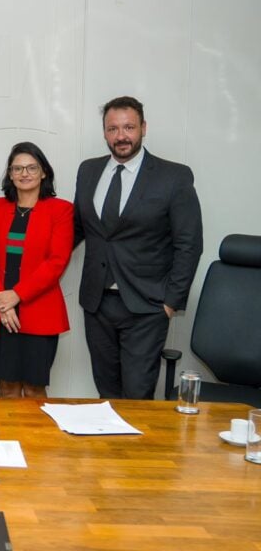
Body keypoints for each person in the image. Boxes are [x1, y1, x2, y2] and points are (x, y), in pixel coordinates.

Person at [73, 96, 203, 399]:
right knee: (106, 392)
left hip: (147, 306)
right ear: (104, 132)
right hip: (97, 304)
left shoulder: (174, 176)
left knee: (137, 397)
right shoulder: (88, 171)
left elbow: (189, 244)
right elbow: (78, 229)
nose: (121, 136)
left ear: (143, 128)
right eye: (113, 129)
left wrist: (170, 302)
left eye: (129, 127)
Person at [0, 142, 73, 397]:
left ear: (43, 172)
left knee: (33, 389)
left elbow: (57, 262)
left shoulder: (61, 210)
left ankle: (35, 439)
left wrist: (16, 295)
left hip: (38, 310)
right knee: (6, 388)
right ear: (10, 174)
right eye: (17, 168)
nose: (24, 173)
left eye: (32, 167)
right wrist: (3, 302)